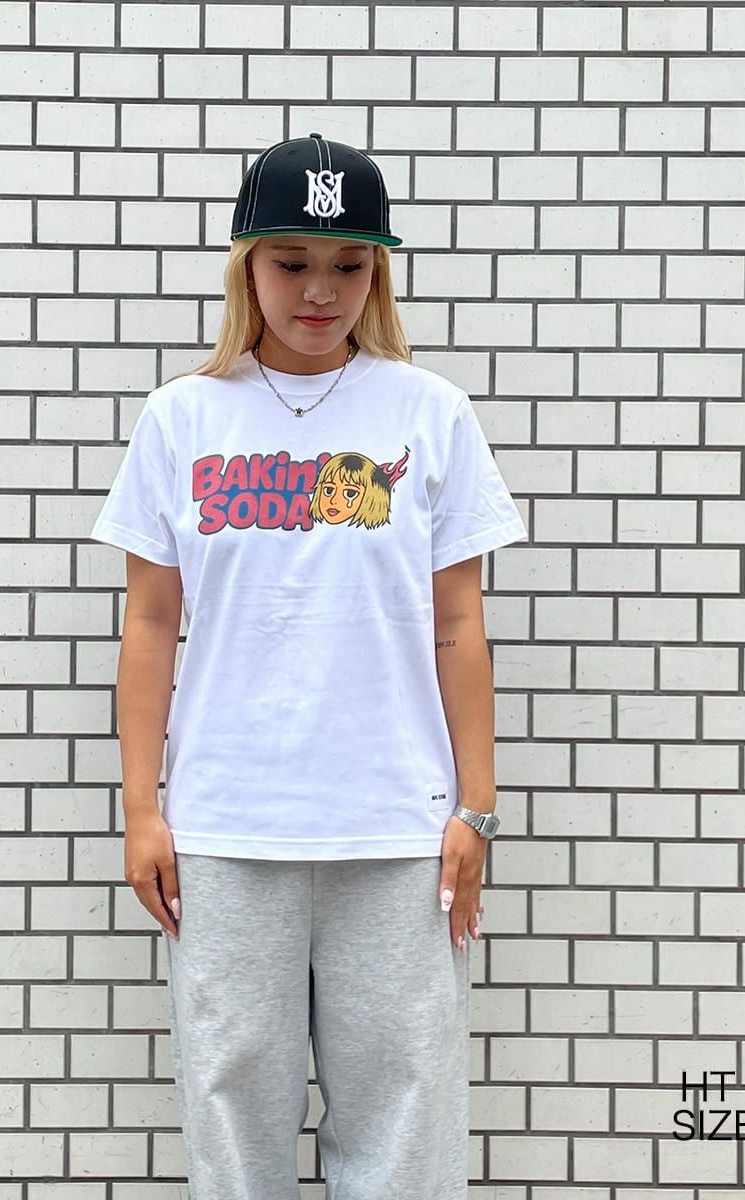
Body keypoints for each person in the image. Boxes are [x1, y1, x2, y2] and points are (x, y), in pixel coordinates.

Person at [90, 133, 529, 1200]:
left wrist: (476, 809)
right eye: (292, 262)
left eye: (349, 264)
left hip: (397, 832)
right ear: (247, 265)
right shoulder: (183, 418)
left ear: (379, 274)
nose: (321, 290)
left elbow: (458, 624)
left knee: (405, 1126)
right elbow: (150, 624)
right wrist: (142, 810)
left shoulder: (429, 413)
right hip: (228, 830)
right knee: (232, 1120)